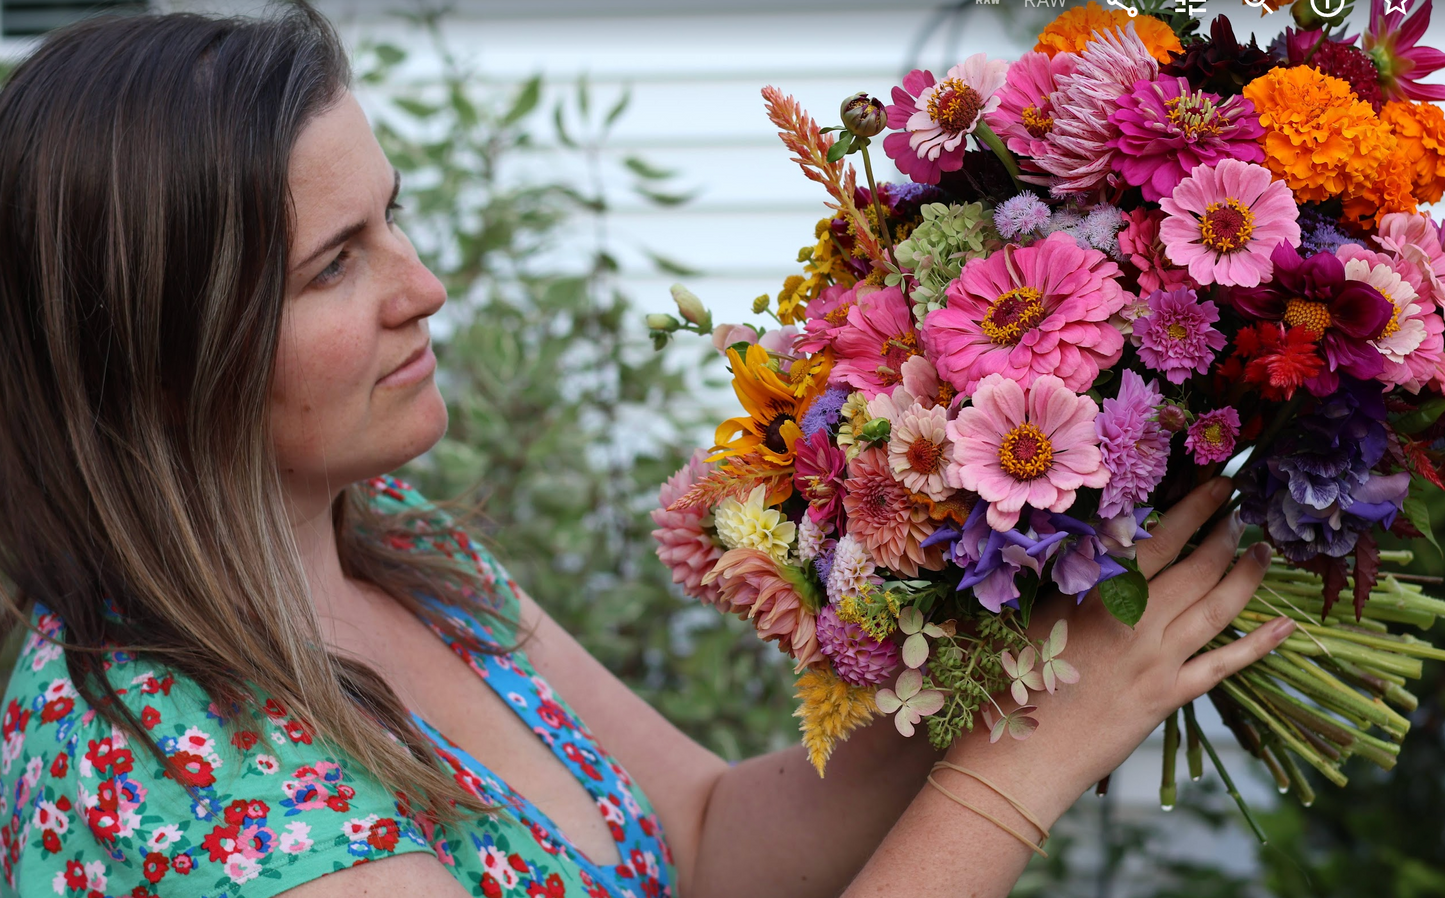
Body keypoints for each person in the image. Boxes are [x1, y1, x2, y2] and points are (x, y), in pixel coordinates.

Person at [0, 5, 1297, 897]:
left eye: (392, 217)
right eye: (336, 264)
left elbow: (707, 839)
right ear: (156, 352)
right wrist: (1031, 763)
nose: (427, 286)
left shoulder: (402, 556)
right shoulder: (176, 768)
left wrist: (1009, 643)